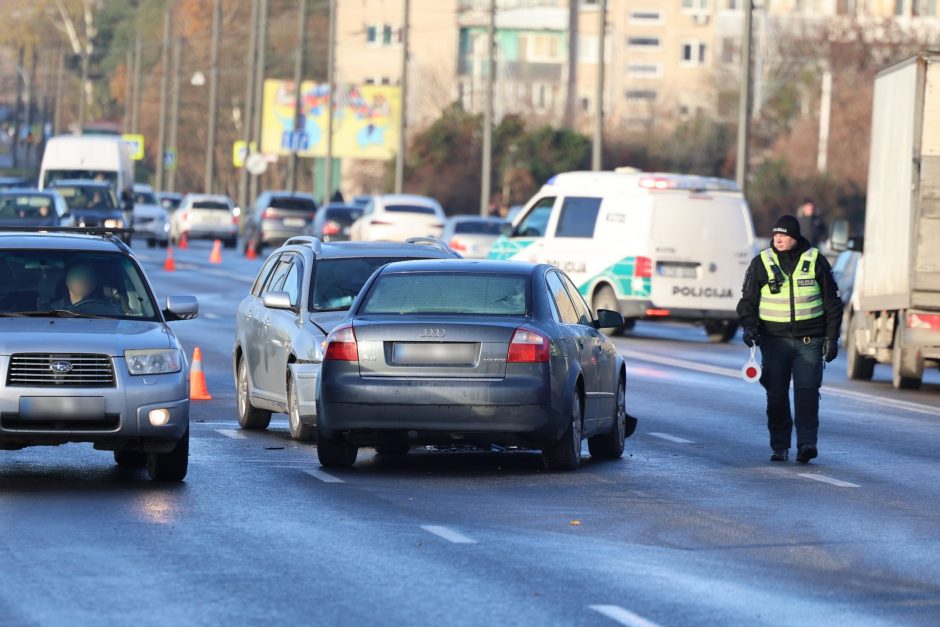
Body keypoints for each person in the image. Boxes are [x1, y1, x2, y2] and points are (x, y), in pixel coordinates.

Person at [737, 215, 843, 463]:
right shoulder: (762, 262)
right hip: (774, 342)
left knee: (807, 394)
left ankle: (807, 444)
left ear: (795, 237)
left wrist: (832, 338)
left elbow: (832, 303)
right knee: (776, 396)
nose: (778, 239)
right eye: (776, 235)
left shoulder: (815, 260)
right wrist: (750, 328)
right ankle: (780, 446)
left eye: (783, 235)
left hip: (810, 341)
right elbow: (747, 303)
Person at [52, 263, 122, 316]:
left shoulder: (109, 310)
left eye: (87, 279)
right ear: (68, 281)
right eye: (78, 278)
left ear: (94, 282)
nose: (83, 282)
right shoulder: (53, 310)